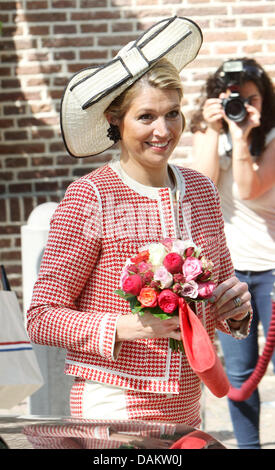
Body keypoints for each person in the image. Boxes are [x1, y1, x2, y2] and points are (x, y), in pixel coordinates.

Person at [26, 17, 252, 427]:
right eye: (146, 117)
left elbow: (213, 302)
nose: (163, 131)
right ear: (116, 120)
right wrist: (124, 326)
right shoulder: (91, 195)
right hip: (113, 402)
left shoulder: (202, 190)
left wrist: (233, 310)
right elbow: (41, 316)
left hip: (188, 405)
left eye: (172, 114)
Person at [189, 57, 275, 448]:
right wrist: (211, 128)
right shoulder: (214, 128)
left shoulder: (272, 136)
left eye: (250, 98)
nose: (243, 106)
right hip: (230, 271)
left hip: (272, 268)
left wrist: (242, 138)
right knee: (239, 376)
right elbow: (202, 186)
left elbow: (248, 189)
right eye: (233, 98)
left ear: (265, 98)